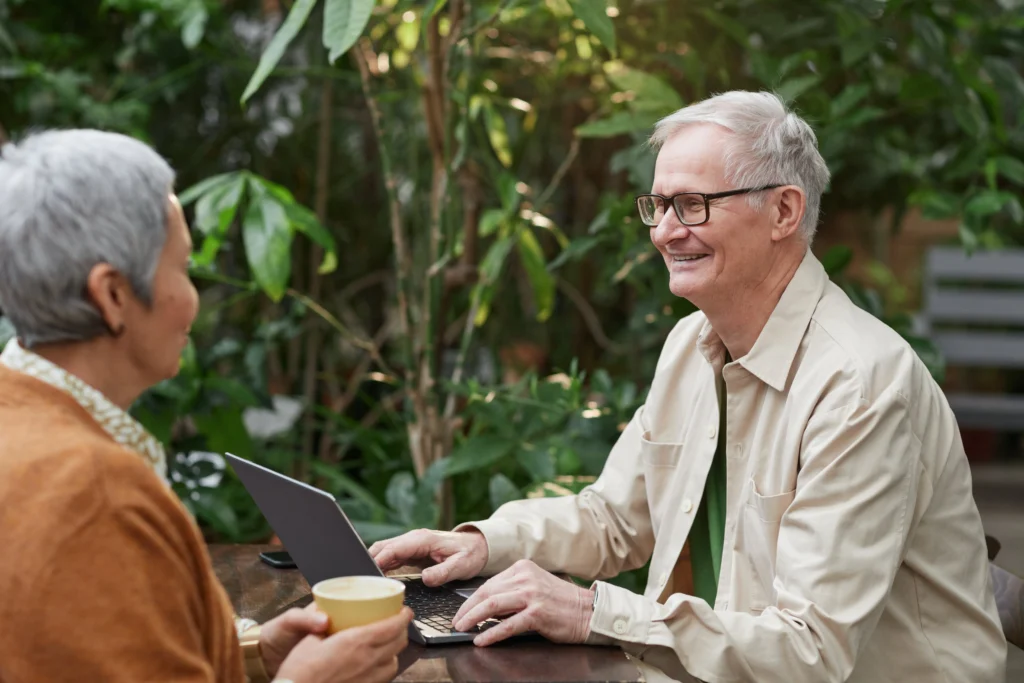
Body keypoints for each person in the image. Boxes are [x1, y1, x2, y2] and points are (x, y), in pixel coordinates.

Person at [370, 92, 1008, 683]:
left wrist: (592, 612)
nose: (666, 231)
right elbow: (615, 519)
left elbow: (813, 650)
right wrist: (482, 544)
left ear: (784, 211)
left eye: (693, 204)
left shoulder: (860, 384)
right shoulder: (690, 346)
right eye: (658, 205)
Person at [0, 129, 412, 683]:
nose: (194, 298)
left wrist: (249, 655)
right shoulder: (91, 490)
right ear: (113, 295)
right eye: (183, 268)